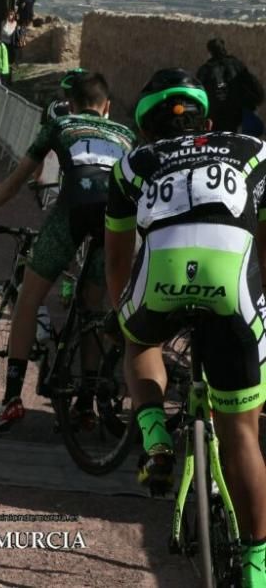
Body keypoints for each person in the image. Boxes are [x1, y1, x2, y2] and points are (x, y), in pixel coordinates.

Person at [104, 68, 266, 588]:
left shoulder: (134, 163)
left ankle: (154, 437)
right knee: (241, 431)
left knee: (138, 340)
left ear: (145, 129)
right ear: (210, 121)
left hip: (161, 281)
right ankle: (258, 564)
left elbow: (115, 258)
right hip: (232, 285)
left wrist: (125, 321)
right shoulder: (251, 148)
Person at [0, 73, 135, 434]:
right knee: (94, 308)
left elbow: (17, 178)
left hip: (72, 213)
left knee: (28, 298)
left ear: (71, 104)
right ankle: (86, 405)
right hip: (114, 219)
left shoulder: (62, 124)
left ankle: (11, 399)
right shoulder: (125, 134)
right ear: (107, 108)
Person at [196, 37, 265, 133]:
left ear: (210, 51)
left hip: (215, 117)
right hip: (236, 115)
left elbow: (199, 93)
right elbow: (252, 85)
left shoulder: (205, 70)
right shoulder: (237, 65)